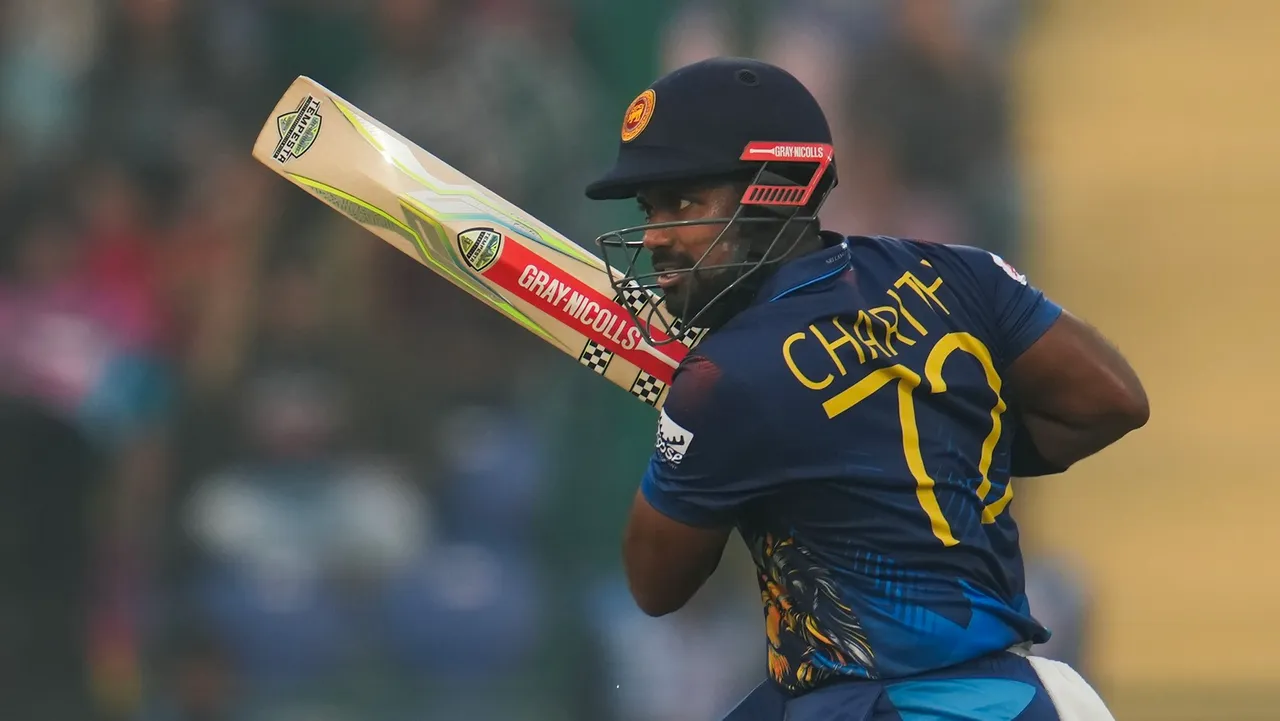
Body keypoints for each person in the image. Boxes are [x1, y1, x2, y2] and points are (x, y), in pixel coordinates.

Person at [583, 57, 1148, 721]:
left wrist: (697, 432)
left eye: (684, 204)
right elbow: (1114, 399)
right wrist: (954, 451)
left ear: (774, 190)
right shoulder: (954, 272)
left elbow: (655, 585)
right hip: (1015, 695)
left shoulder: (722, 379)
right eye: (651, 210)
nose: (656, 239)